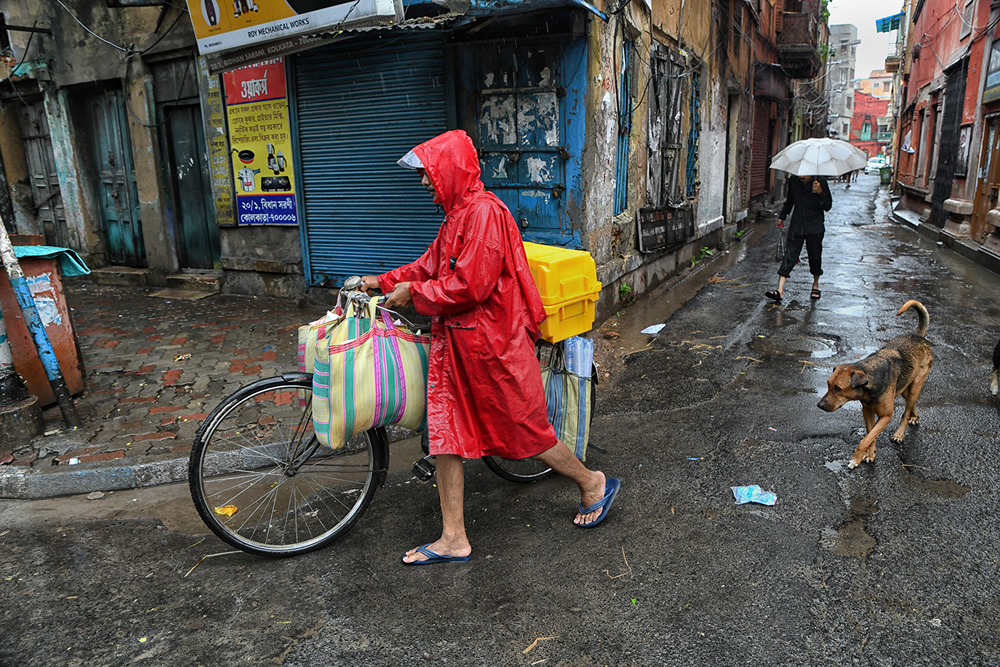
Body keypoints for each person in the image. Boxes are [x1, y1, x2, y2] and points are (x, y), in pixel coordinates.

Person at [359, 129, 620, 566]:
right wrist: (380, 281)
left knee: (525, 432)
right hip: (458, 347)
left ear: (450, 170)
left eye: (429, 174)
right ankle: (453, 538)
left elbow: (470, 286)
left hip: (492, 347)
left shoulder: (483, 214)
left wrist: (414, 296)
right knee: (445, 436)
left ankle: (593, 483)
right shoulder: (456, 216)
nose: (425, 183)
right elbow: (428, 266)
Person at [764, 174, 832, 303]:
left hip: (815, 226)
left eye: (804, 174)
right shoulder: (794, 181)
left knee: (815, 256)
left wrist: (820, 192)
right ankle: (780, 290)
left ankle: (815, 284)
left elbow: (827, 206)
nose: (801, 176)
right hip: (798, 224)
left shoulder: (820, 181)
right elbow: (790, 201)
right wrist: (782, 216)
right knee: (790, 255)